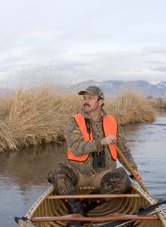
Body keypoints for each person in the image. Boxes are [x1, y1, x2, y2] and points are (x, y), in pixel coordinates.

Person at [47, 85, 143, 219]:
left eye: (90, 98)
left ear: (100, 102)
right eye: (84, 98)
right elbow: (76, 148)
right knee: (56, 171)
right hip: (79, 173)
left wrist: (133, 170)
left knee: (122, 179)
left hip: (102, 174)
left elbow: (123, 150)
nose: (85, 101)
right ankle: (76, 209)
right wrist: (101, 142)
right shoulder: (74, 121)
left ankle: (85, 206)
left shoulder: (113, 122)